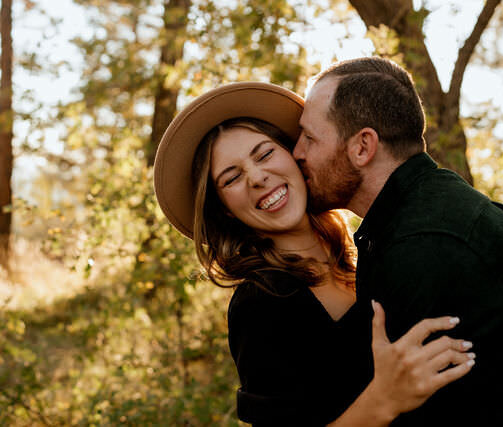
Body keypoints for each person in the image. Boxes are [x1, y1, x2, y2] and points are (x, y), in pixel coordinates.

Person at [292, 56, 503, 425]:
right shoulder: (439, 212)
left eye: (310, 138)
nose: (297, 152)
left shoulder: (421, 248)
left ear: (363, 147)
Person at [153, 82, 476, 426]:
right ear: (226, 210)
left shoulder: (366, 251)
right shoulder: (260, 302)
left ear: (294, 155)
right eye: (232, 178)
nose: (257, 177)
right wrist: (383, 400)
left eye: (264, 154)